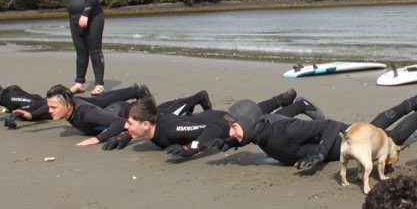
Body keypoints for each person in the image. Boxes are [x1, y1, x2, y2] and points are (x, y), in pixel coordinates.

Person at [221, 92, 417, 169]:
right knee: (376, 125)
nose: (231, 133)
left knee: (393, 137)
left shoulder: (284, 131)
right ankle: (414, 101)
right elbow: (245, 137)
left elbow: (329, 125)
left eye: (234, 128)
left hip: (344, 139)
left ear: (251, 124)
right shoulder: (261, 130)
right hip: (341, 138)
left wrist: (320, 154)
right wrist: (232, 142)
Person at [118, 89, 324, 155]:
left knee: (264, 123)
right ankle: (282, 99)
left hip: (219, 123)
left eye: (129, 123)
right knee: (255, 113)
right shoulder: (153, 123)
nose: (126, 127)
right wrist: (126, 134)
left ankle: (299, 106)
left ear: (146, 124)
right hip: (210, 119)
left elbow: (213, 128)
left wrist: (191, 148)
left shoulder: (172, 129)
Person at [40, 0, 106, 95]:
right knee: (81, 52)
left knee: (94, 50)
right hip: (74, 18)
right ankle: (79, 83)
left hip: (93, 17)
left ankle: (99, 84)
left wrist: (86, 14)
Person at [0, 78, 151, 129]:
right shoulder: (6, 99)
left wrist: (29, 113)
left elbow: (35, 101)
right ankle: (134, 91)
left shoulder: (11, 97)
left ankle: (136, 91)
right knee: (100, 101)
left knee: (99, 101)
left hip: (63, 105)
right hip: (57, 108)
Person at [45, 83, 162, 146]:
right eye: (49, 107)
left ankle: (142, 97)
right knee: (100, 100)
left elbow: (119, 122)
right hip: (109, 110)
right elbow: (45, 108)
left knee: (155, 113)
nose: (49, 110)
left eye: (53, 107)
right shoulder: (67, 106)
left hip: (121, 111)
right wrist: (32, 114)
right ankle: (135, 91)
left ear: (68, 106)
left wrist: (97, 139)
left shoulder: (87, 114)